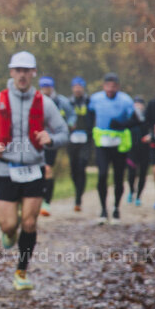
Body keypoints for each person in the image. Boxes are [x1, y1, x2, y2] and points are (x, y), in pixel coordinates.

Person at [0, 52, 68, 290]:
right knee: (8, 225)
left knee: (29, 222)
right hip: (6, 169)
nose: (22, 75)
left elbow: (63, 133)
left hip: (34, 169)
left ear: (33, 73)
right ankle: (9, 233)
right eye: (18, 70)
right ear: (11, 72)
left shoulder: (45, 103)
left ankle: (21, 272)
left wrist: (50, 139)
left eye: (27, 70)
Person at [88, 73, 139, 224]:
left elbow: (136, 120)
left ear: (118, 86)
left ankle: (116, 208)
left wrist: (122, 124)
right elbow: (89, 114)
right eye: (108, 86)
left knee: (118, 177)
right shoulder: (96, 99)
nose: (110, 89)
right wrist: (91, 129)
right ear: (103, 86)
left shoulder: (125, 100)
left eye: (113, 86)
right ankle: (103, 209)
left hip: (119, 145)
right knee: (102, 175)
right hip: (102, 144)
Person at [37, 76, 76, 216]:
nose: (46, 90)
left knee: (47, 169)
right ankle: (36, 198)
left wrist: (68, 125)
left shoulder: (61, 101)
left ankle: (46, 202)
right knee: (37, 171)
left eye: (48, 87)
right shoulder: (35, 100)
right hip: (35, 140)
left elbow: (72, 115)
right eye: (43, 87)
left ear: (52, 87)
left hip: (51, 141)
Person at [67, 76, 93, 212]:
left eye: (80, 86)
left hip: (86, 140)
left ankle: (78, 198)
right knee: (73, 169)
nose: (77, 89)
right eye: (75, 86)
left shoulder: (90, 102)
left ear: (83, 88)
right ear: (72, 88)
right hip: (71, 140)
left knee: (82, 166)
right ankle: (78, 191)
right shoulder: (68, 102)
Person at [126, 97, 149, 206]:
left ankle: (139, 196)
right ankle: (131, 191)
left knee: (143, 174)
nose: (138, 106)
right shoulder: (129, 117)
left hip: (145, 150)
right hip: (131, 150)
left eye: (139, 104)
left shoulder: (147, 118)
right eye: (135, 104)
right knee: (131, 173)